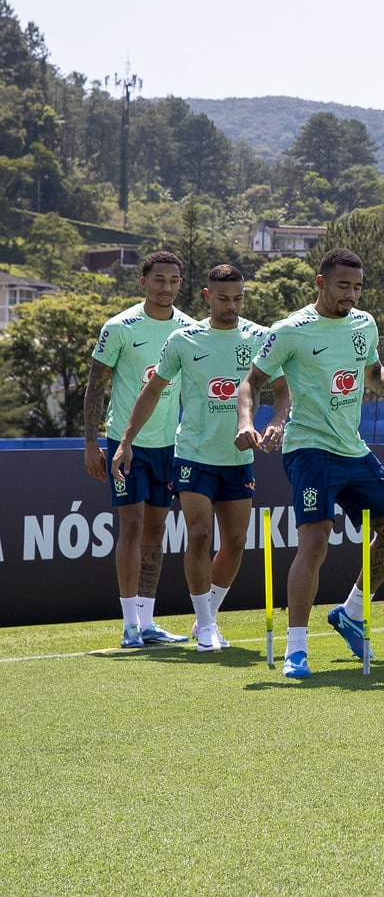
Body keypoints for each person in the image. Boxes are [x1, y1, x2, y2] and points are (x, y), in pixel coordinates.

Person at [234, 247, 384, 678]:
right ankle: (297, 650)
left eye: (358, 286)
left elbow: (375, 375)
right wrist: (248, 421)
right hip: (308, 449)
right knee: (317, 541)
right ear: (321, 283)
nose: (351, 294)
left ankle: (351, 613)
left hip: (353, 448)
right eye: (343, 285)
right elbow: (250, 383)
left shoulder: (365, 324)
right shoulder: (291, 330)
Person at [113, 264, 276, 652]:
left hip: (238, 458)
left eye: (238, 298)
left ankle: (210, 616)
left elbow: (282, 387)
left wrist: (278, 422)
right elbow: (151, 392)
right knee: (200, 534)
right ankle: (204, 627)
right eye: (223, 298)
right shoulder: (183, 339)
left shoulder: (260, 337)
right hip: (192, 454)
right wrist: (126, 440)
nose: (231, 305)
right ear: (207, 296)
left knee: (235, 542)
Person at [84, 250, 194, 648]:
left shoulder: (190, 330)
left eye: (174, 280)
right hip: (124, 445)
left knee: (156, 531)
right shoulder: (119, 327)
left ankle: (147, 622)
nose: (167, 287)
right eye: (159, 279)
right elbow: (95, 387)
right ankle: (129, 625)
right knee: (130, 528)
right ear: (143, 281)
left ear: (181, 284)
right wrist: (92, 443)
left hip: (170, 445)